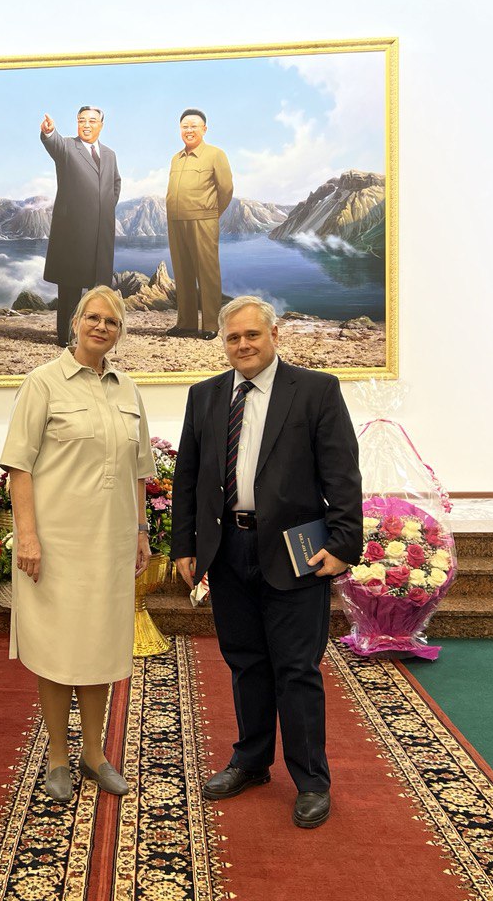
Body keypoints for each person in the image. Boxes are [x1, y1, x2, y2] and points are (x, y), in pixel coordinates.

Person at [170, 296, 362, 828]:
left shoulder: (316, 390)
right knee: (246, 661)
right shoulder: (205, 396)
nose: (243, 345)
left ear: (274, 335)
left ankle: (312, 781)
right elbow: (187, 476)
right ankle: (252, 761)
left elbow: (343, 474)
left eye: (252, 335)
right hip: (227, 549)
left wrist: (343, 544)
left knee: (297, 669)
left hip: (297, 552)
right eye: (233, 337)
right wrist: (184, 544)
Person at [0, 285, 157, 802]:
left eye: (112, 322)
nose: (101, 327)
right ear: (75, 322)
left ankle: (94, 755)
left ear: (120, 332)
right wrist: (27, 535)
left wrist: (141, 531)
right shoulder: (42, 383)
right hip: (56, 545)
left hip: (111, 545)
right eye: (93, 317)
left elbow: (139, 471)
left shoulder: (129, 390)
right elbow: (19, 466)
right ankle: (57, 758)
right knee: (58, 649)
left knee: (99, 649)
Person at [39, 107, 123, 346]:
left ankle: (96, 333)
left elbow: (116, 183)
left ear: (101, 125)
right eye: (81, 120)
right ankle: (66, 337)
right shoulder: (67, 147)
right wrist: (49, 132)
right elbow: (53, 142)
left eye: (92, 121)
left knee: (99, 287)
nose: (86, 125)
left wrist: (105, 208)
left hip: (101, 232)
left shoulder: (109, 154)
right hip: (73, 231)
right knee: (70, 286)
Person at [165, 108, 233, 341]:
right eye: (185, 126)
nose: (189, 130)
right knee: (182, 272)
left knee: (207, 271)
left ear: (204, 129)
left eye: (194, 126)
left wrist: (211, 213)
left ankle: (211, 324)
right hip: (176, 220)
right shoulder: (176, 158)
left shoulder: (216, 154)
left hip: (203, 219)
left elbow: (226, 189)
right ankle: (186, 323)